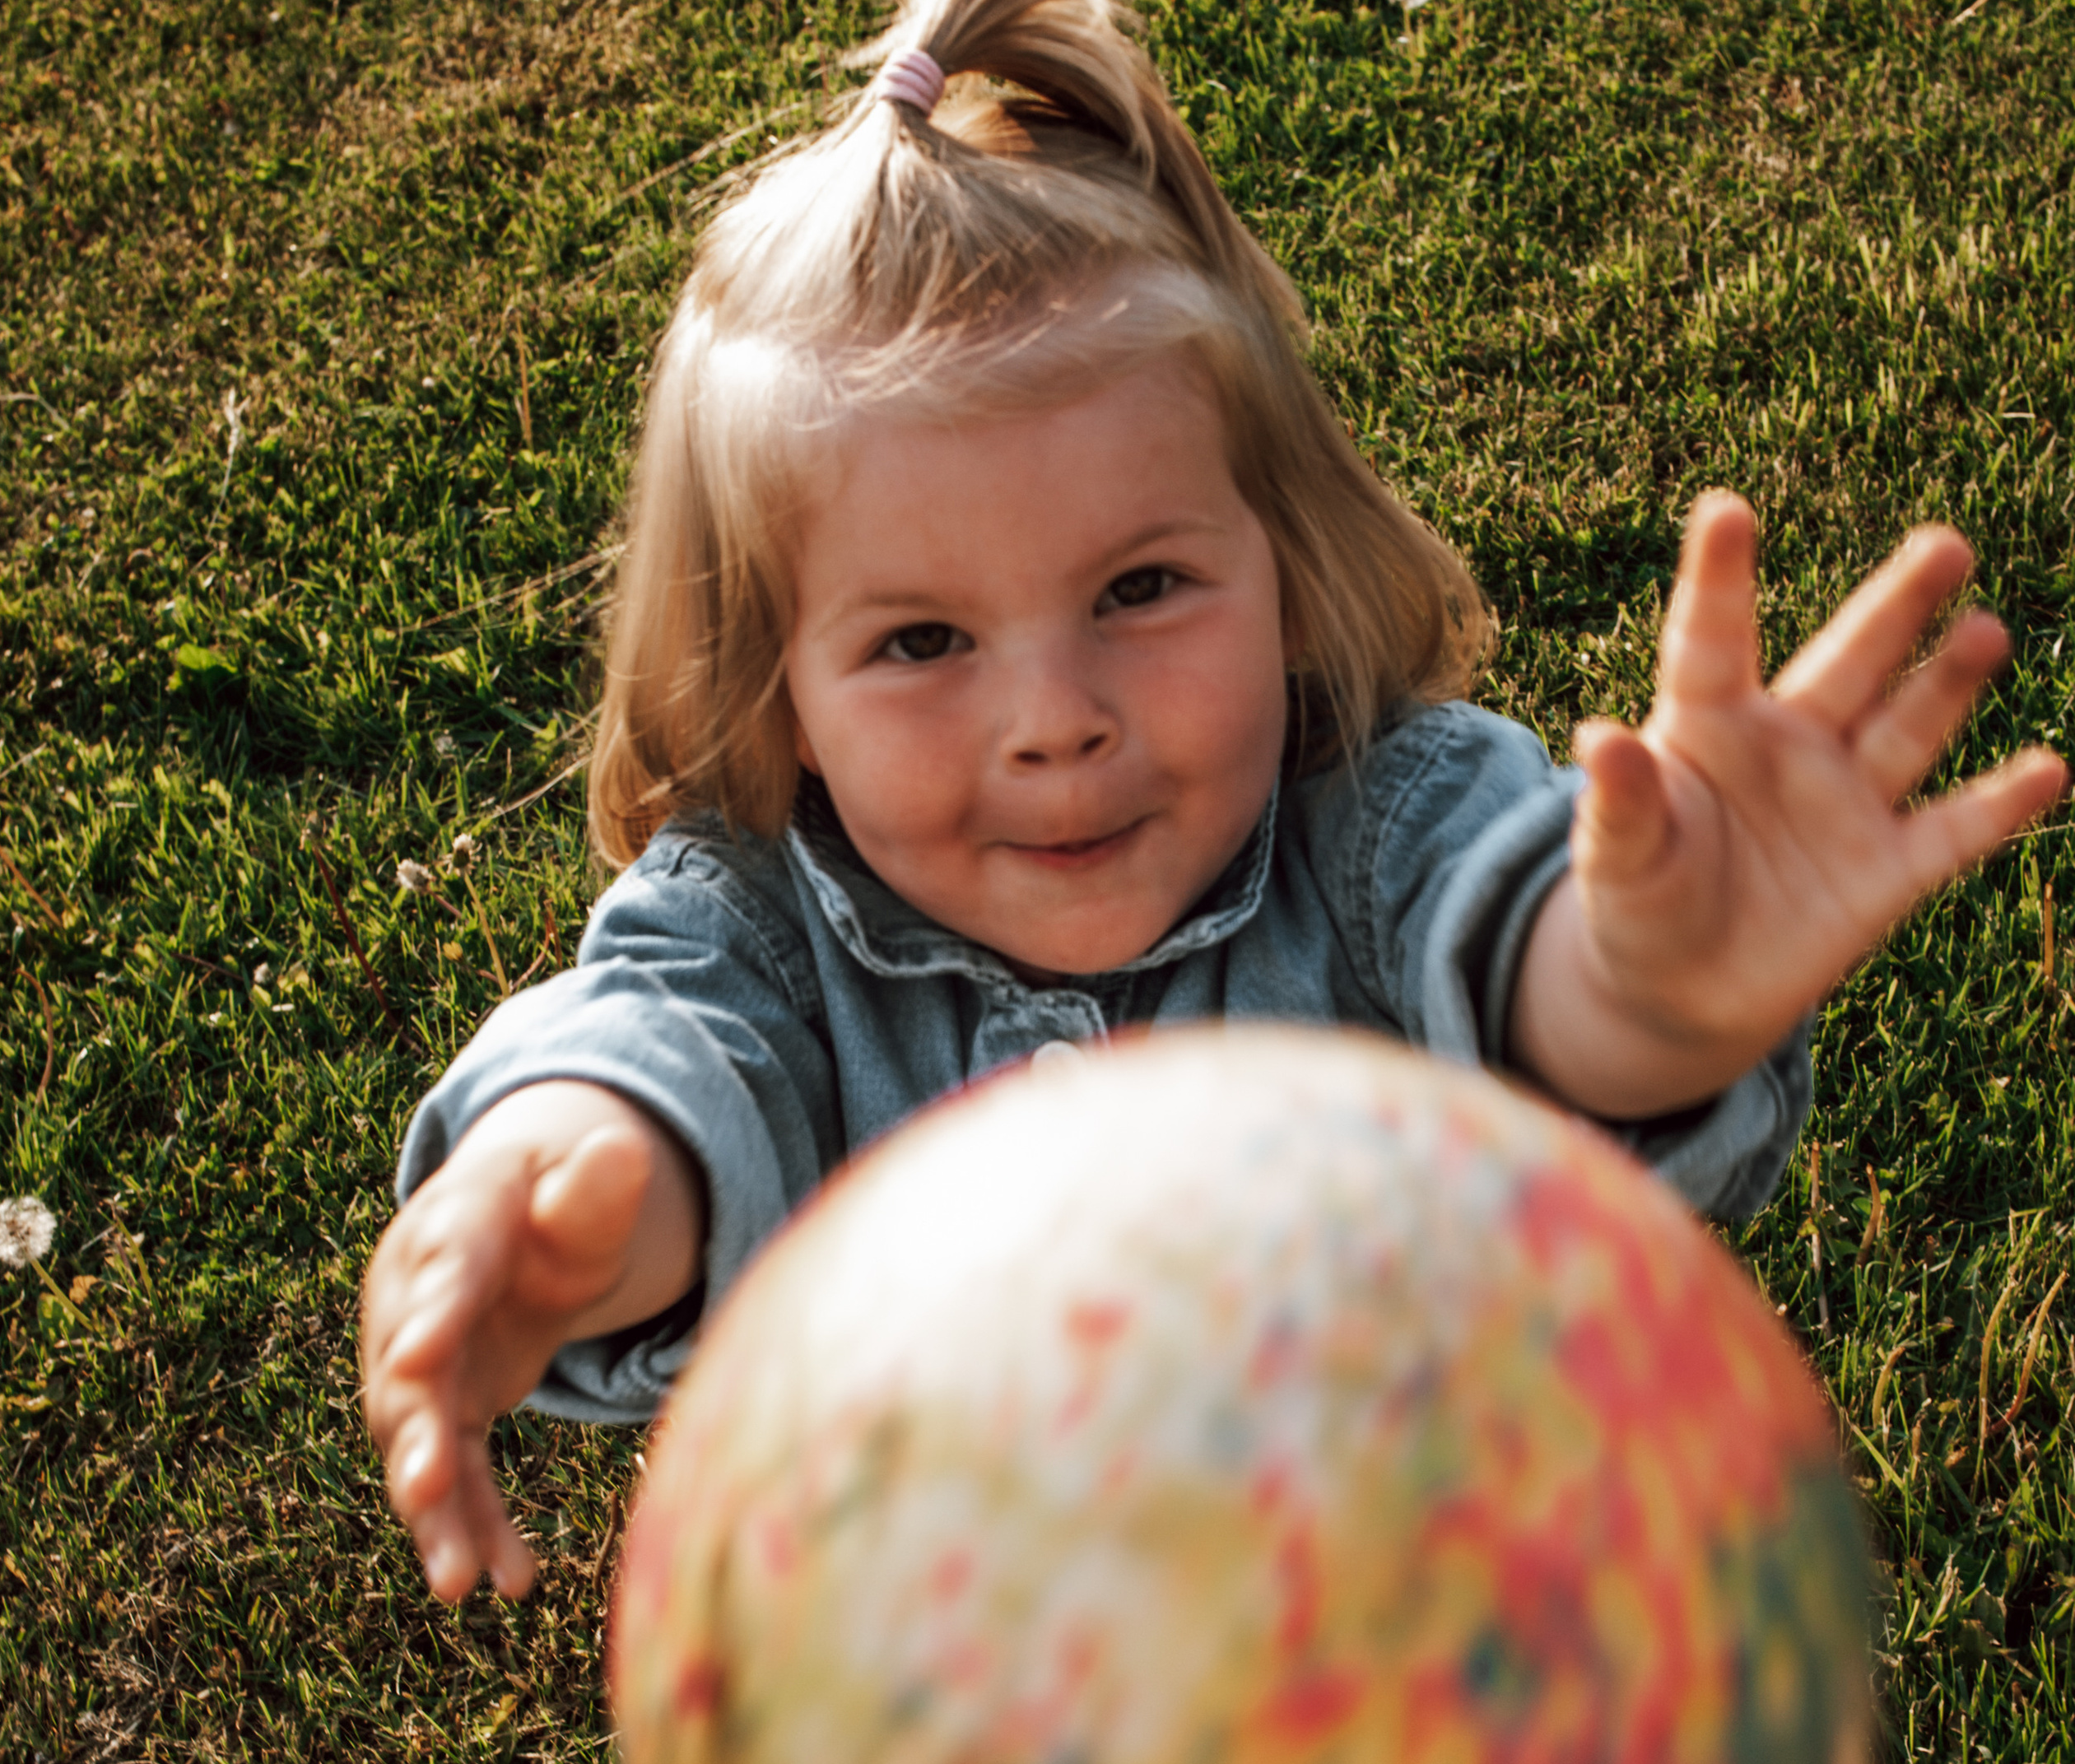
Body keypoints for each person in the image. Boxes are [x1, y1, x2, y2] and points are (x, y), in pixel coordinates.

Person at [361, 0, 2063, 1605]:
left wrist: (1643, 986)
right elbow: (662, 1059)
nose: (1053, 722)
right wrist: (571, 1181)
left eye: (1140, 589)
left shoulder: (1387, 827)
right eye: (920, 639)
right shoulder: (760, 924)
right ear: (776, 683)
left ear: (1282, 558)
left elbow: (1528, 976)